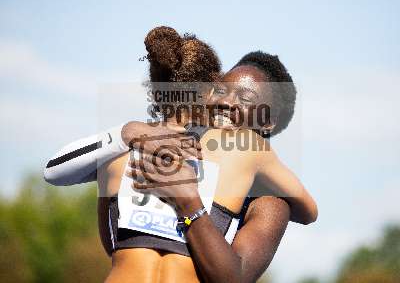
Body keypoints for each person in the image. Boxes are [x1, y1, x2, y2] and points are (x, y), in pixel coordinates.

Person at [44, 27, 317, 282]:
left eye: (244, 98)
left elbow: (113, 243)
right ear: (207, 92)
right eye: (222, 90)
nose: (225, 102)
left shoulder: (269, 202)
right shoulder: (134, 144)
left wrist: (187, 202)